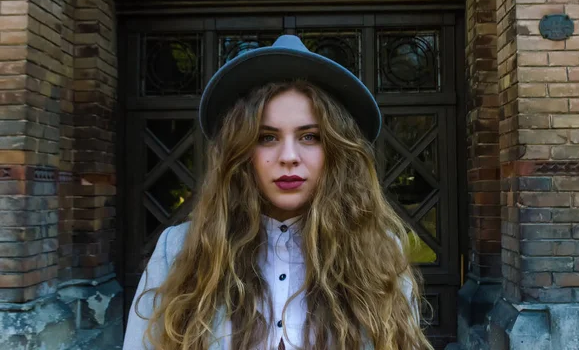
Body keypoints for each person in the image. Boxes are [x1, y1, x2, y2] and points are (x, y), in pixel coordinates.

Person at [123, 35, 433, 350]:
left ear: (336, 149)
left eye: (310, 136)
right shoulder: (176, 250)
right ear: (241, 152)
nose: (288, 156)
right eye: (267, 137)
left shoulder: (380, 252)